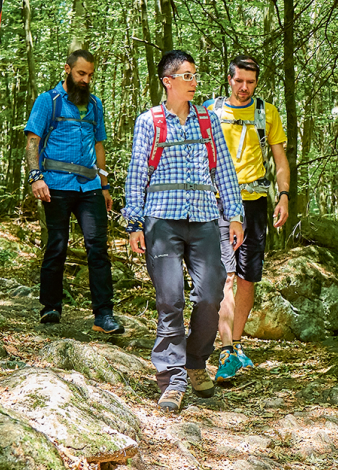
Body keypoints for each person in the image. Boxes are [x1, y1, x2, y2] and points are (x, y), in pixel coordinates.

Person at [122, 50, 245, 413]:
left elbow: (224, 170)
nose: (194, 82)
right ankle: (172, 380)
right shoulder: (149, 122)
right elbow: (137, 174)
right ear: (168, 81)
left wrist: (234, 215)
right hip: (162, 220)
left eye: (195, 76)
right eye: (187, 76)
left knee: (210, 295)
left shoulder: (207, 121)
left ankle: (195, 360)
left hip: (205, 219)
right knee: (170, 299)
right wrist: (134, 223)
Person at [206, 55, 291, 384]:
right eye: (239, 81)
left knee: (247, 278)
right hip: (218, 203)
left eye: (250, 82)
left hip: (254, 203)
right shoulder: (211, 112)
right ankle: (225, 350)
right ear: (229, 79)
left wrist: (283, 195)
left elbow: (280, 159)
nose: (244, 87)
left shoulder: (267, 113)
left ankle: (237, 343)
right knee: (226, 276)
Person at [24, 49, 121, 334]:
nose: (85, 79)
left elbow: (99, 145)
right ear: (67, 69)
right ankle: (50, 307)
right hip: (56, 184)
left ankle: (104, 315)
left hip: (90, 187)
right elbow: (33, 141)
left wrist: (105, 184)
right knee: (57, 245)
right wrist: (35, 177)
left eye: (90, 75)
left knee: (98, 249)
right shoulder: (48, 101)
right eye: (81, 73)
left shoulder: (95, 105)